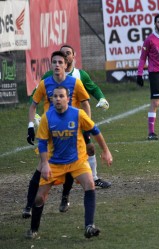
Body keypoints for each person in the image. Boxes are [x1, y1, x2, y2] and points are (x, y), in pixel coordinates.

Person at [23, 45, 111, 219]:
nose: (58, 64)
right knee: (41, 167)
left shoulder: (76, 80)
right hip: (50, 131)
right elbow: (33, 104)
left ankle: (65, 196)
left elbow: (86, 101)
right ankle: (28, 205)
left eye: (61, 60)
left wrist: (86, 125)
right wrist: (31, 126)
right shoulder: (46, 81)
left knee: (71, 165)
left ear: (67, 62)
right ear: (52, 64)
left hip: (72, 129)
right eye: (55, 61)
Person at [25, 86, 113, 239]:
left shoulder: (78, 114)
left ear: (68, 98)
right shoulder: (47, 117)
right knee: (39, 198)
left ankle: (89, 226)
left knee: (90, 184)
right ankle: (33, 230)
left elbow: (95, 130)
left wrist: (106, 151)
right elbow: (42, 143)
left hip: (77, 160)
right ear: (52, 99)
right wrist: (45, 164)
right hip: (55, 162)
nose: (58, 99)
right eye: (55, 96)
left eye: (61, 96)